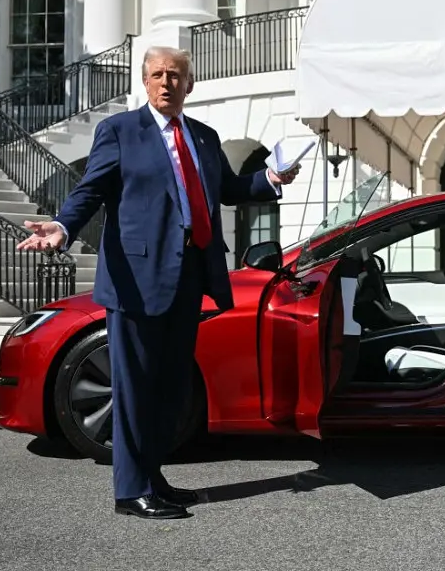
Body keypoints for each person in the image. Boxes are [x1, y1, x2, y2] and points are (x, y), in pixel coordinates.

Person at [16, 46, 299, 520]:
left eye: (176, 75)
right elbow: (91, 191)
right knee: (134, 388)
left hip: (190, 275)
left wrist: (270, 177)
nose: (166, 82)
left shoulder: (205, 138)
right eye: (157, 74)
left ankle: (153, 476)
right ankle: (130, 491)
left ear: (190, 84)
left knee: (170, 390)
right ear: (144, 82)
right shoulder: (120, 131)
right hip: (136, 279)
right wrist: (62, 227)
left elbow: (230, 191)